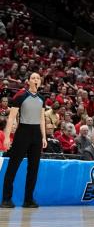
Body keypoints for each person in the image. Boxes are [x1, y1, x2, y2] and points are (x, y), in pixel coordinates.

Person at [1, 73, 46, 209]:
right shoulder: (20, 97)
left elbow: (42, 119)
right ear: (28, 81)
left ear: (40, 82)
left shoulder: (42, 98)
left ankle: (28, 199)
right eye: (33, 78)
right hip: (23, 133)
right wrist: (7, 137)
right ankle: (6, 199)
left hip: (36, 135)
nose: (36, 80)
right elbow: (11, 118)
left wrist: (44, 136)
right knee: (13, 166)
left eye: (38, 78)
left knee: (33, 168)